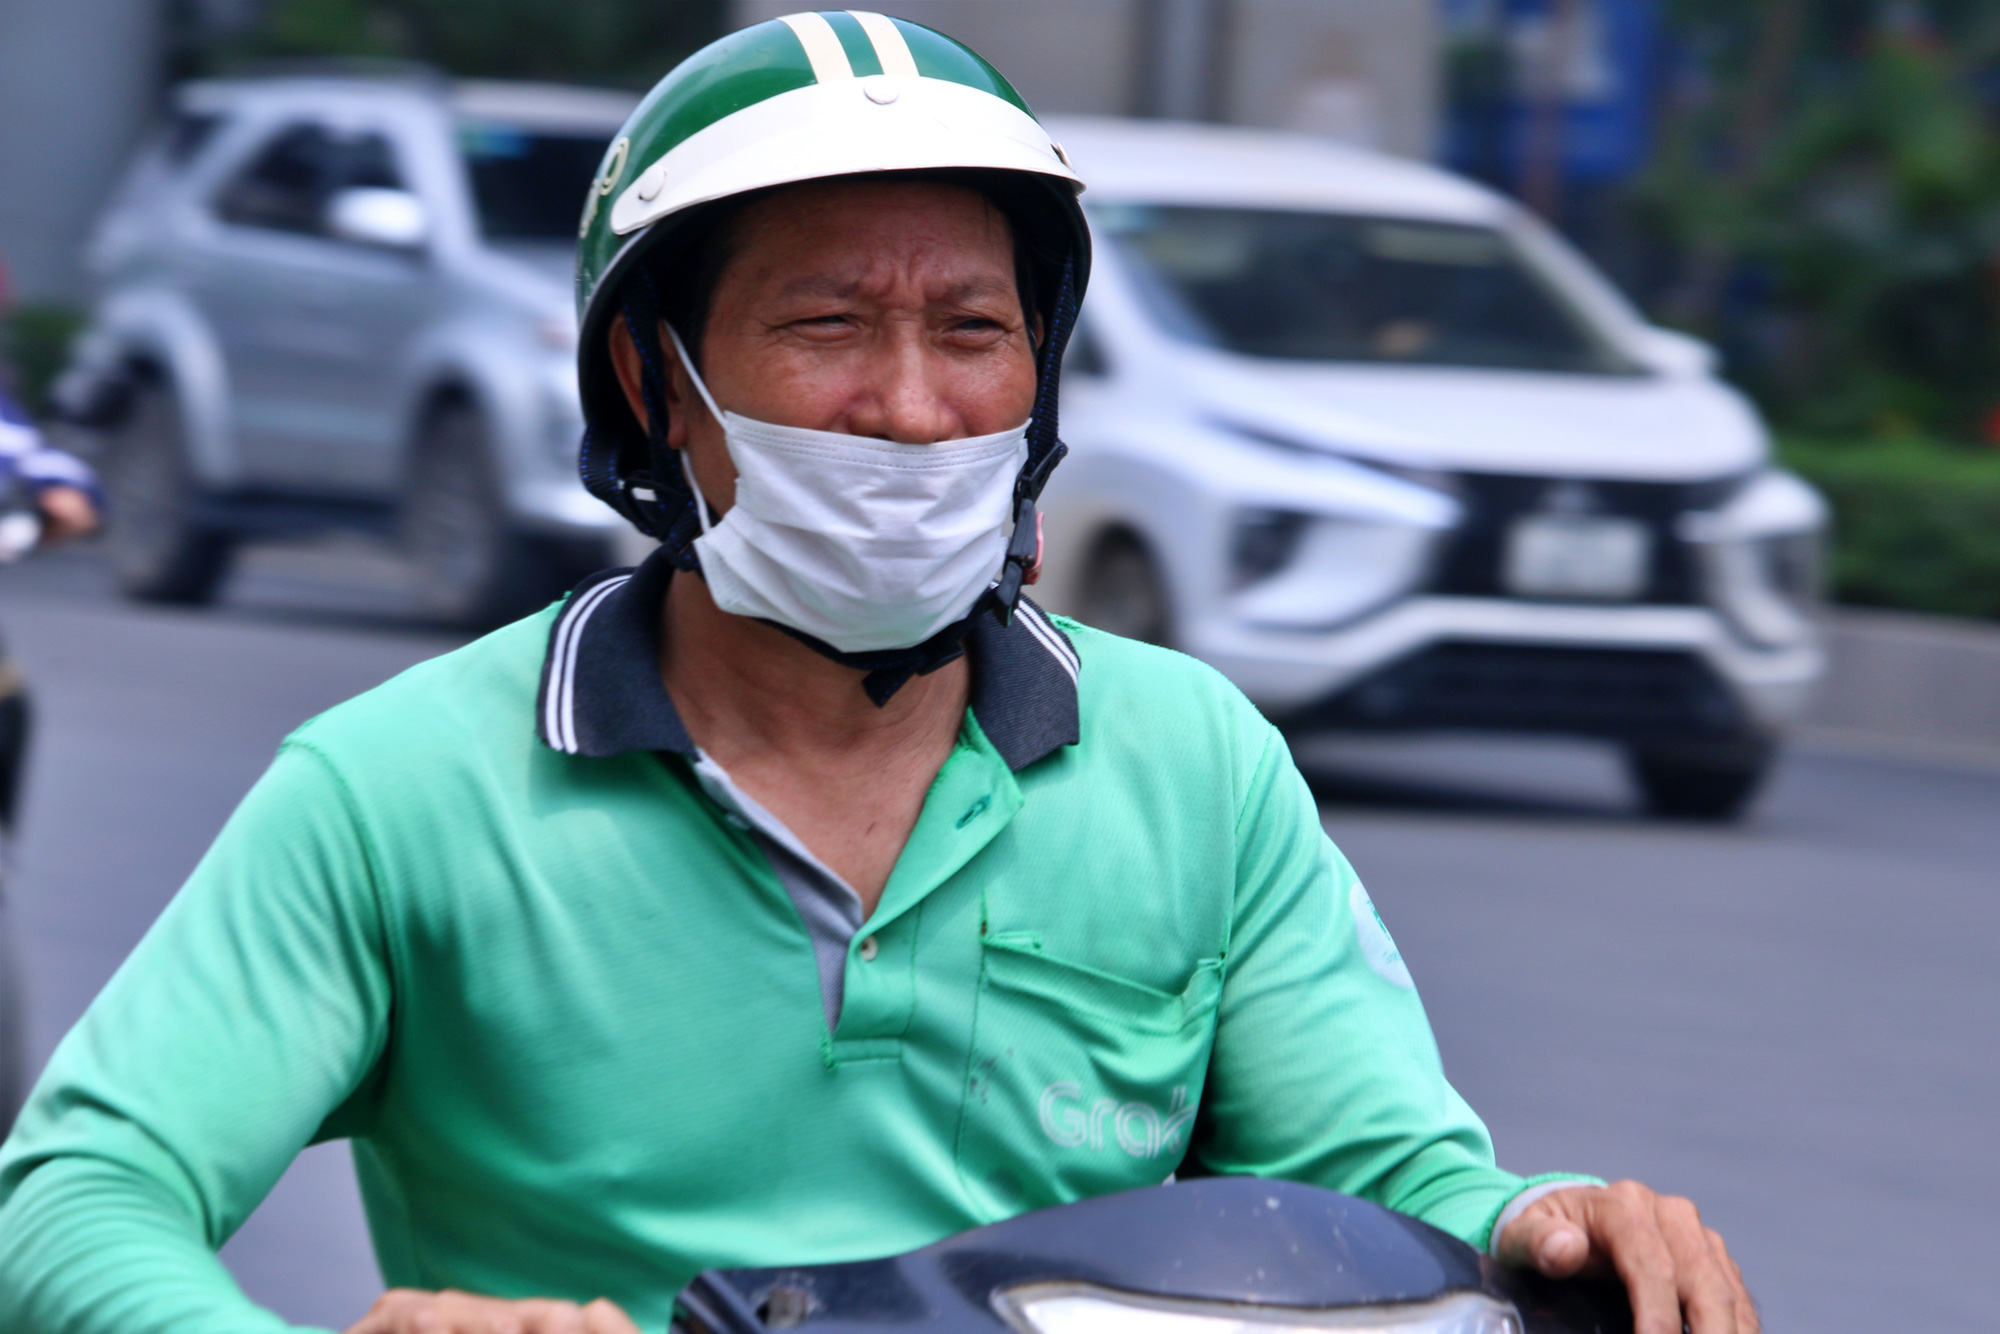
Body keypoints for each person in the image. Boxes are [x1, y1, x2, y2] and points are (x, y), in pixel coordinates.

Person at [0, 16, 1753, 1334]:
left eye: (973, 331)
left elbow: (1387, 1178)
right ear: (655, 382)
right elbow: (80, 1197)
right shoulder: (401, 788)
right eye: (828, 325)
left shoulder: (1193, 763)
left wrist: (1551, 1220)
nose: (913, 408)